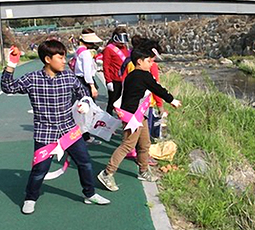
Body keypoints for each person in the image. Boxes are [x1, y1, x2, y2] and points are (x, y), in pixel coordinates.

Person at [0, 40, 110, 214]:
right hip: (45, 134)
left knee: (85, 163)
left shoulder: (69, 77)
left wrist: (85, 104)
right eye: (61, 57)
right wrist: (11, 64)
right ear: (47, 59)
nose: (64, 61)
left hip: (69, 130)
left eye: (64, 57)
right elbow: (7, 87)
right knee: (40, 170)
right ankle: (30, 197)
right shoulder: (32, 79)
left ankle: (90, 194)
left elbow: (83, 93)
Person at [98, 43, 181, 191]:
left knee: (145, 144)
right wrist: (172, 100)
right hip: (132, 117)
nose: (151, 64)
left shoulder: (132, 75)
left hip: (138, 115)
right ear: (139, 61)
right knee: (127, 145)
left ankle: (143, 171)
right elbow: (157, 89)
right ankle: (107, 173)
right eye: (149, 61)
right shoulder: (143, 75)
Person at [74, 28, 103, 145]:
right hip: (85, 82)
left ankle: (84, 134)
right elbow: (87, 72)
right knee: (87, 109)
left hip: (79, 81)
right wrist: (92, 86)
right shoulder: (85, 53)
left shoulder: (79, 50)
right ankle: (86, 136)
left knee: (82, 109)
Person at [102, 27, 130, 114]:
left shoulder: (124, 48)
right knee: (112, 102)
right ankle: (107, 121)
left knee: (124, 103)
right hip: (115, 80)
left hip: (125, 79)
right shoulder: (109, 49)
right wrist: (108, 81)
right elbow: (106, 66)